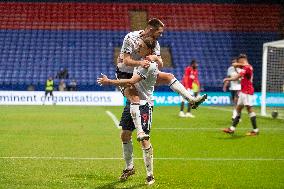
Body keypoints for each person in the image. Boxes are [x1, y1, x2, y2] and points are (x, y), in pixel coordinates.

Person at [116, 18, 206, 142]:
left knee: (169, 76)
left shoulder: (155, 44)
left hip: (141, 71)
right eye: (160, 32)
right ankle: (140, 132)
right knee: (135, 99)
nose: (161, 35)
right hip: (125, 74)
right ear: (151, 29)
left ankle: (191, 100)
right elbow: (126, 60)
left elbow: (161, 63)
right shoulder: (130, 37)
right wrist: (141, 62)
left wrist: (153, 57)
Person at [223, 54, 259, 136]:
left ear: (243, 60)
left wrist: (227, 79)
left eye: (239, 61)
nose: (238, 63)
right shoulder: (245, 67)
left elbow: (237, 76)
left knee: (249, 109)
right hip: (243, 91)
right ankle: (232, 129)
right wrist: (236, 66)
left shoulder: (248, 67)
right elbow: (237, 74)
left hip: (247, 91)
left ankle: (255, 130)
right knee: (238, 109)